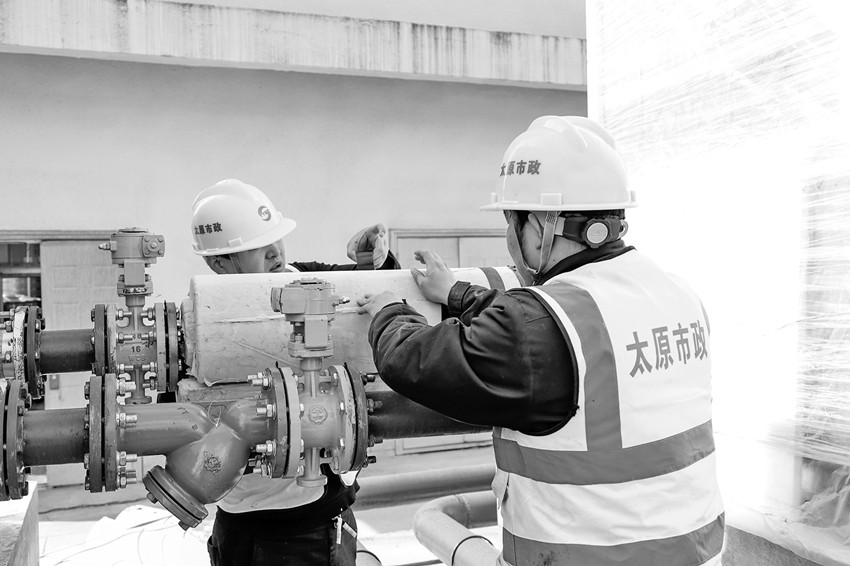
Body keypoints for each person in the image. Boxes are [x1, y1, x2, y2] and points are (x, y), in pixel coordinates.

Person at [357, 116, 725, 566]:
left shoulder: (540, 323)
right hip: (695, 550)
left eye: (511, 221)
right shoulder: (675, 291)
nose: (510, 239)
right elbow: (545, 328)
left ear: (541, 225)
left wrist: (388, 312)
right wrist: (456, 293)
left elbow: (417, 360)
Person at [191, 178, 399, 566]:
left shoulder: (307, 281)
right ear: (219, 263)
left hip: (312, 520)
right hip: (239, 521)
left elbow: (367, 290)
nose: (276, 252)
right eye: (259, 247)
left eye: (276, 239)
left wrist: (377, 262)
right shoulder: (203, 323)